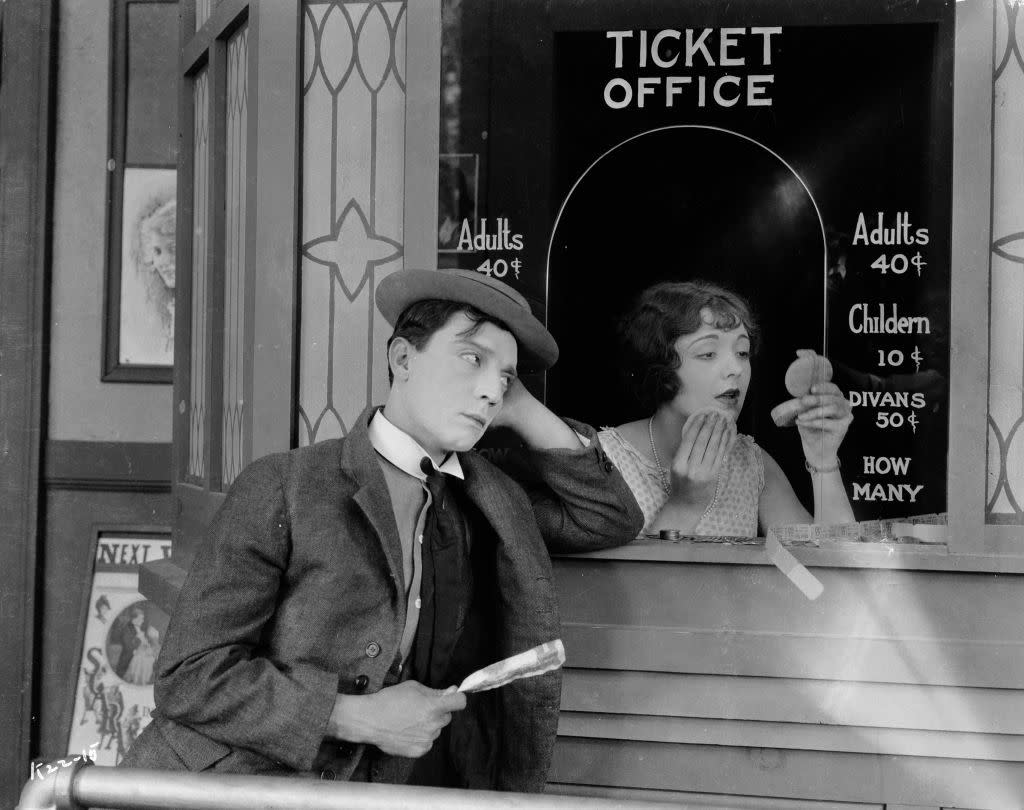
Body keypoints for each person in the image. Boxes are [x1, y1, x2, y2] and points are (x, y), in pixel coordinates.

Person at [121, 268, 643, 790]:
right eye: (471, 359)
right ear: (402, 359)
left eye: (504, 378)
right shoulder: (286, 485)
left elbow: (609, 515)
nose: (490, 390)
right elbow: (188, 675)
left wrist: (523, 406)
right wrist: (354, 717)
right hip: (247, 785)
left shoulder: (492, 498)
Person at [600, 280, 855, 537]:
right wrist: (685, 504)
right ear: (662, 371)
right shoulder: (605, 461)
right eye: (708, 354)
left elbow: (831, 565)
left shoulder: (750, 463)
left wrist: (824, 460)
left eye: (742, 353)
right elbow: (621, 579)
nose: (736, 368)